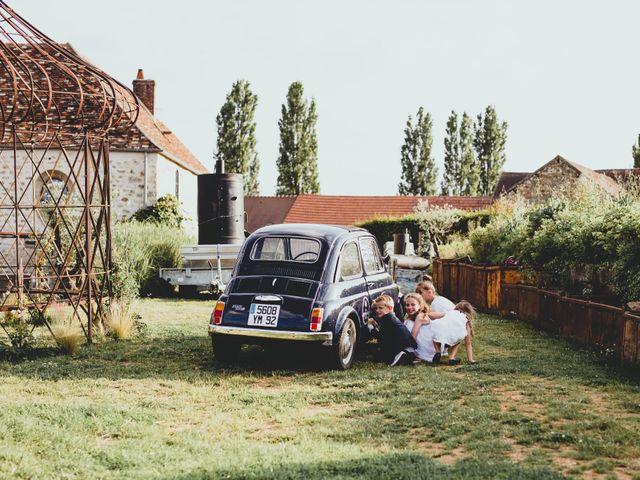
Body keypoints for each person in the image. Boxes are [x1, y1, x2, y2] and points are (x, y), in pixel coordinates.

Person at [368, 294, 417, 366]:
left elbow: (380, 337)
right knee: (378, 354)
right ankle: (406, 355)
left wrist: (370, 326)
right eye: (376, 308)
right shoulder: (392, 318)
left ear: (390, 308)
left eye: (381, 308)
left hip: (401, 346)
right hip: (409, 346)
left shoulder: (387, 319)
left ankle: (398, 355)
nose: (377, 310)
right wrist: (375, 325)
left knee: (377, 356)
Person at [430, 300, 476, 365]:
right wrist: (470, 359)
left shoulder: (450, 313)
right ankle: (451, 358)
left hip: (440, 331)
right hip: (454, 335)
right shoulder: (465, 319)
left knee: (435, 336)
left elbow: (433, 315)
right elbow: (468, 343)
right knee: (458, 341)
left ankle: (438, 352)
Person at [403, 292, 441, 363]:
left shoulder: (420, 317)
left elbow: (412, 338)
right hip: (427, 346)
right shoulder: (414, 318)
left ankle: (420, 355)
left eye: (413, 305)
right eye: (407, 305)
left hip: (428, 349)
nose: (409, 307)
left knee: (408, 324)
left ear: (420, 306)